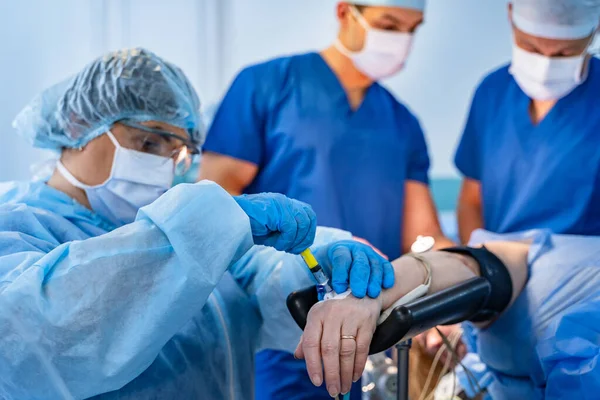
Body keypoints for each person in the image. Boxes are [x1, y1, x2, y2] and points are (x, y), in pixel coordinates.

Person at [0, 48, 401, 400]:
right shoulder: (17, 226)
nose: (162, 169)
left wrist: (322, 262)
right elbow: (27, 344)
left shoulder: (188, 238)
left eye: (179, 155)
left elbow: (263, 279)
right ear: (76, 126)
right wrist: (206, 226)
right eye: (149, 143)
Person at [199, 1, 454, 397]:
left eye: (412, 29)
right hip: (279, 326)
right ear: (345, 12)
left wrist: (454, 290)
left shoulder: (402, 123)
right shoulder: (267, 86)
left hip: (368, 330)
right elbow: (214, 208)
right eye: (389, 24)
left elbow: (424, 236)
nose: (401, 41)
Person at [367, 229, 600, 399]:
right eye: (432, 358)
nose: (437, 343)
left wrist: (385, 289)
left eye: (426, 332)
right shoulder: (493, 366)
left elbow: (472, 266)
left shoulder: (509, 281)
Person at [455, 0, 600, 243]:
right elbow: (471, 200)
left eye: (565, 53)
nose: (545, 66)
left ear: (595, 28)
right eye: (531, 48)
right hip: (499, 266)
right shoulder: (492, 92)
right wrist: (480, 260)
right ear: (511, 13)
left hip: (584, 272)